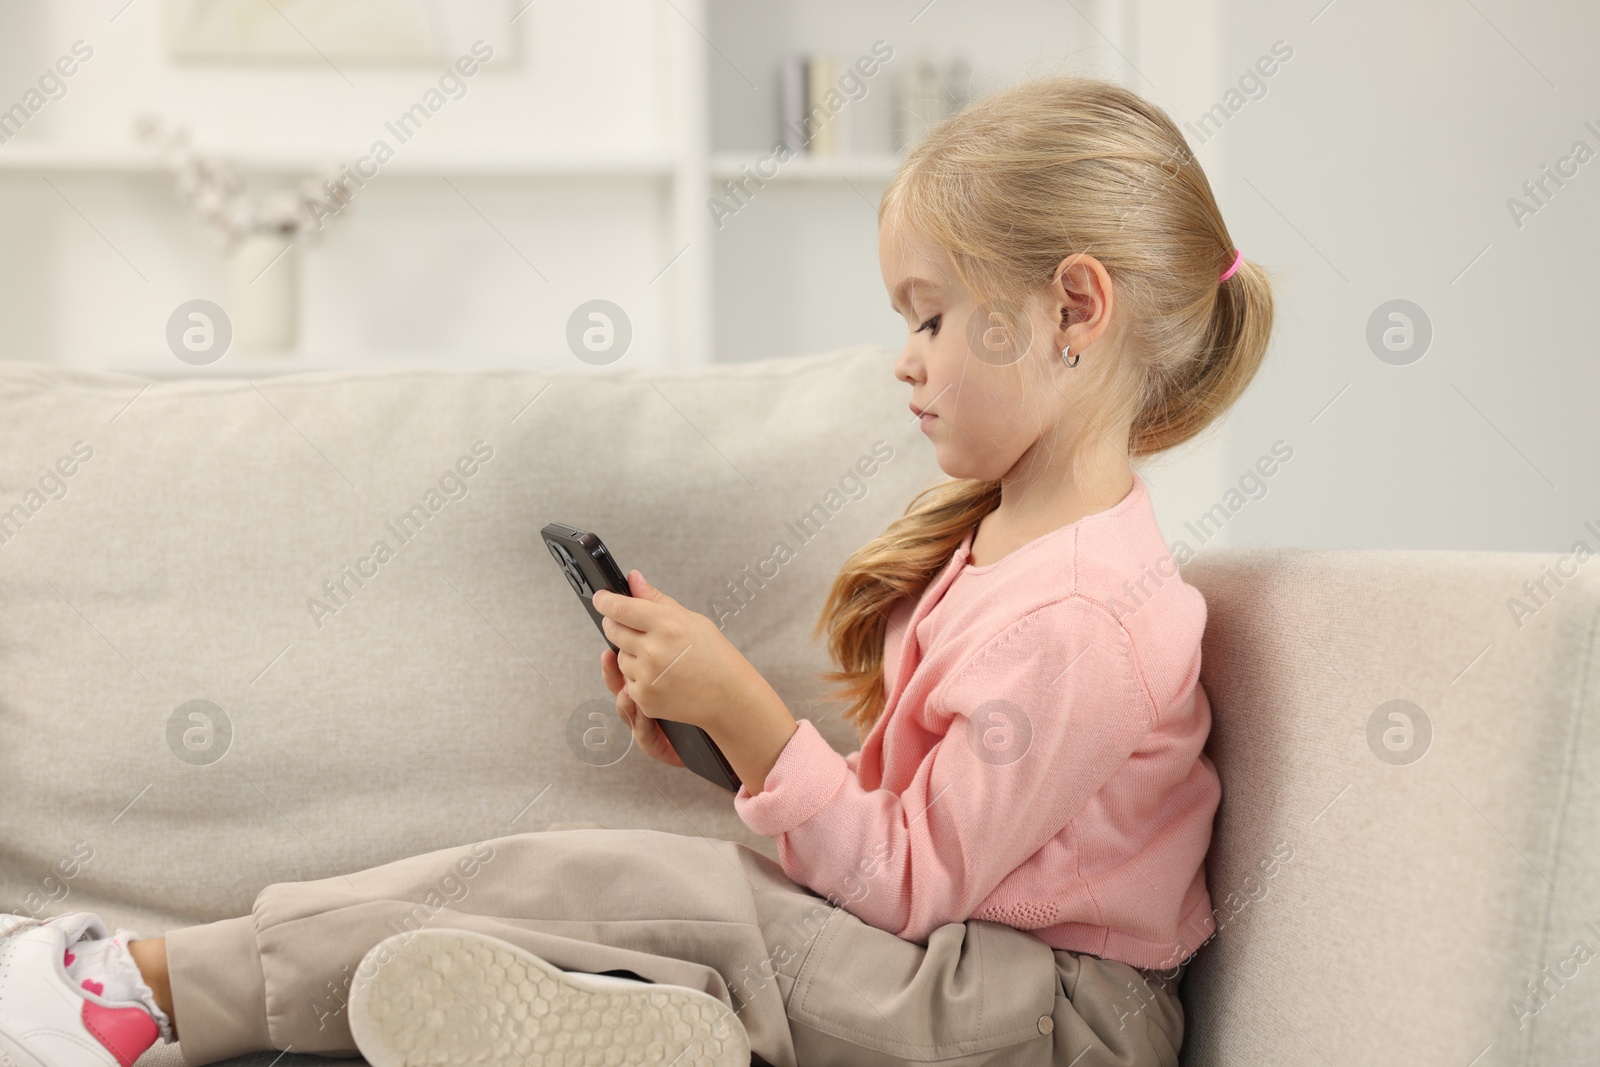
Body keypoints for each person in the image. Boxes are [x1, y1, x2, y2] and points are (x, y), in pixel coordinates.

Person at [0, 73, 1270, 1067]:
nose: (906, 358)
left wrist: (749, 714)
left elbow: (908, 883)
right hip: (964, 980)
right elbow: (907, 836)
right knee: (581, 872)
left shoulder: (1086, 618)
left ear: (1075, 309)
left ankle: (136, 1000)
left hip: (1040, 1019)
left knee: (645, 888)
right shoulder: (1009, 543)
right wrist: (718, 740)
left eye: (930, 315)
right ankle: (650, 1019)